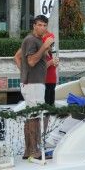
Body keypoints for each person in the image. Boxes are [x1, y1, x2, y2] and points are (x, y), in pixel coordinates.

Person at [13, 15, 54, 160]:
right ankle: (34, 151)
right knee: (35, 117)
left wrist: (24, 73)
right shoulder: (31, 40)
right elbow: (31, 61)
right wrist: (44, 47)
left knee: (31, 116)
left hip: (32, 83)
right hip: (33, 84)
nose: (42, 28)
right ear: (34, 26)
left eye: (45, 25)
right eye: (40, 25)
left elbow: (20, 58)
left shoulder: (34, 40)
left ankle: (28, 150)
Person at [42, 32, 58, 105]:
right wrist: (50, 62)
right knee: (47, 101)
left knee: (52, 101)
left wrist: (56, 63)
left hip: (53, 80)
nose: (52, 45)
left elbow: (54, 66)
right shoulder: (42, 54)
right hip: (46, 81)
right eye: (51, 43)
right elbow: (41, 68)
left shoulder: (52, 54)